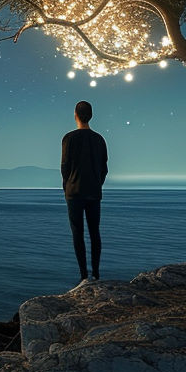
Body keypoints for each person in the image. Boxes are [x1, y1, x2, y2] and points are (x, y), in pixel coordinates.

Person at [61, 100, 107, 286]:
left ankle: (84, 276)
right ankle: (96, 274)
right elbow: (104, 167)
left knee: (77, 233)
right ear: (91, 115)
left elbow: (65, 166)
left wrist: (67, 186)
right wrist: (98, 184)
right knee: (94, 232)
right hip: (94, 192)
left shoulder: (69, 138)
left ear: (75, 115)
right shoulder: (99, 139)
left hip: (74, 192)